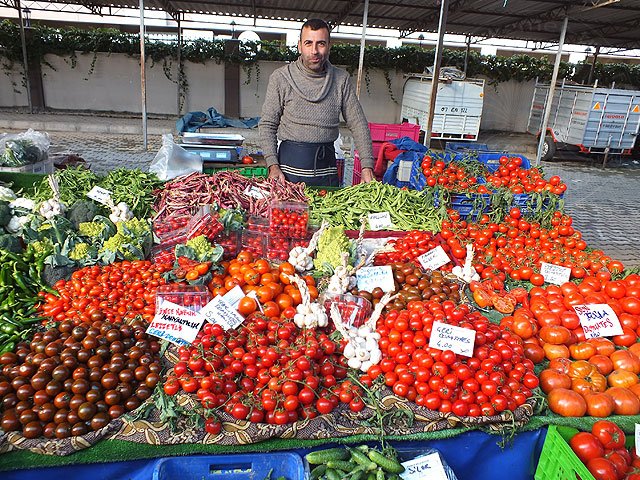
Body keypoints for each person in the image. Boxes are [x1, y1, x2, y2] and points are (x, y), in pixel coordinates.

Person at [259, 18, 375, 186]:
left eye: (321, 43)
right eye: (308, 43)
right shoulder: (281, 77)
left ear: (329, 46)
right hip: (287, 173)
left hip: (326, 170)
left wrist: (366, 166)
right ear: (299, 45)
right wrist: (272, 165)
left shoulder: (341, 79)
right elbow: (267, 124)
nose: (314, 50)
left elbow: (358, 123)